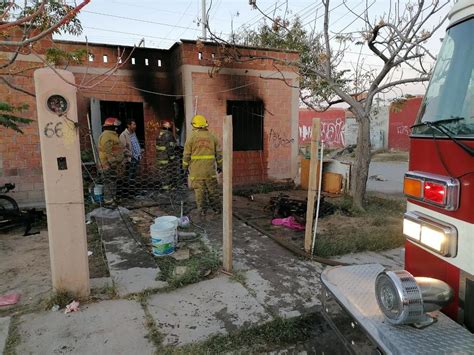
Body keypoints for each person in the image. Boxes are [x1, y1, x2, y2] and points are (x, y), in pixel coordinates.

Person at [182, 114, 222, 216]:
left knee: (199, 192)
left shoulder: (191, 138)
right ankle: (217, 209)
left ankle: (202, 211)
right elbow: (219, 154)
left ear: (195, 126)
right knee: (213, 191)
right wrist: (220, 166)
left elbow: (186, 155)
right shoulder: (213, 137)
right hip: (210, 171)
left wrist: (184, 167)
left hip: (196, 172)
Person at [98, 117, 124, 203]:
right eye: (115, 126)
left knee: (112, 183)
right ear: (111, 126)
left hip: (112, 165)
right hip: (108, 166)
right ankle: (108, 202)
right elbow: (108, 152)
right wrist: (113, 164)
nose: (117, 127)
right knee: (109, 184)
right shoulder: (106, 136)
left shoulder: (111, 135)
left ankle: (112, 200)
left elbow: (115, 149)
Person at [119, 119, 142, 192]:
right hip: (130, 159)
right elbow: (123, 148)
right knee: (130, 175)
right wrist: (131, 155)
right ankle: (129, 192)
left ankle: (133, 190)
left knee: (134, 175)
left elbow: (135, 143)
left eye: (135, 124)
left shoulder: (133, 133)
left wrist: (140, 151)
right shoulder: (123, 135)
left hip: (137, 157)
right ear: (128, 125)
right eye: (133, 124)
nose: (135, 126)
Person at [155, 119, 178, 190]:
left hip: (160, 158)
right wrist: (172, 158)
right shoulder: (168, 134)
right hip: (166, 158)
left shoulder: (159, 134)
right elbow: (170, 148)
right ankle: (168, 190)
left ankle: (165, 188)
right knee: (168, 173)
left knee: (163, 173)